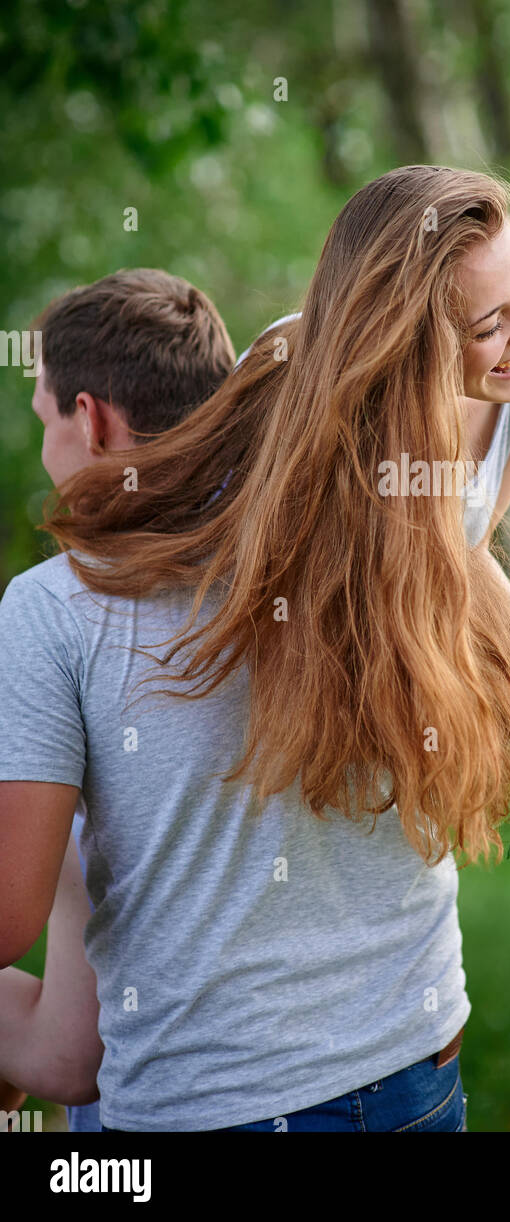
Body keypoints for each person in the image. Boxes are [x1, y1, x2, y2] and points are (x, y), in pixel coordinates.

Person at [0, 167, 510, 1132]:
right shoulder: (294, 405)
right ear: (400, 334)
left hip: (400, 1057)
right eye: (487, 323)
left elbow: (449, 562)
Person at [0, 268, 235, 1131]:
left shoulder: (51, 608)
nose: (46, 454)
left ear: (91, 419)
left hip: (173, 1104)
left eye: (46, 423)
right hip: (394, 1071)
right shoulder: (304, 565)